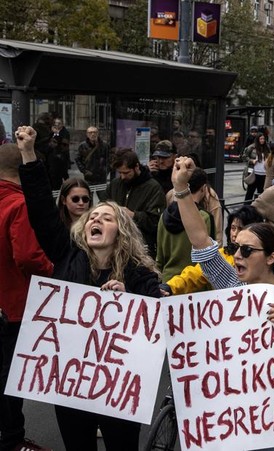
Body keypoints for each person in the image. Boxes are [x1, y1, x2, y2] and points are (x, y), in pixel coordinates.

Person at [17, 125, 160, 451]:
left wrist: (129, 300)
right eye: (93, 215)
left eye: (107, 217)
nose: (96, 218)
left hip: (118, 386)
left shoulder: (138, 273)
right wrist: (28, 155)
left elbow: (155, 314)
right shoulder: (68, 254)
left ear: (121, 231)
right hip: (71, 384)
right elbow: (40, 212)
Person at [172, 156, 274, 450]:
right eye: (237, 248)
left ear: (272, 257)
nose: (237, 255)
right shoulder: (233, 287)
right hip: (228, 412)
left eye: (247, 251)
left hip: (271, 417)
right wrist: (181, 190)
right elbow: (201, 241)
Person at [0, 141, 53, 451]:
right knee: (10, 376)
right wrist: (57, 269)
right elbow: (29, 257)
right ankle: (13, 439)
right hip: (15, 304)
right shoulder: (19, 204)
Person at [162, 205, 264, 296]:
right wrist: (170, 287)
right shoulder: (222, 255)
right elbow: (194, 274)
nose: (235, 234)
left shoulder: (265, 262)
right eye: (233, 228)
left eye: (241, 229)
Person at [156, 168, 212, 282]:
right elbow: (209, 257)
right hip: (194, 284)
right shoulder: (203, 218)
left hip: (168, 281)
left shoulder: (164, 216)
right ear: (203, 188)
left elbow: (159, 257)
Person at [106, 149, 166, 255]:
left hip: (141, 246)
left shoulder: (153, 188)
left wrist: (133, 215)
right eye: (120, 173)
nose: (122, 177)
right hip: (116, 244)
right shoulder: (115, 185)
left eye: (126, 173)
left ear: (136, 167)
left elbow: (157, 222)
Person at [245, 133, 269, 202]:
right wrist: (251, 161)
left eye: (264, 139)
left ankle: (258, 208)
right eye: (261, 139)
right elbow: (244, 156)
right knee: (250, 192)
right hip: (254, 173)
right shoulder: (252, 147)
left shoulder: (267, 148)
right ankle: (247, 207)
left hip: (264, 173)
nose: (262, 140)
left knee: (261, 193)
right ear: (257, 139)